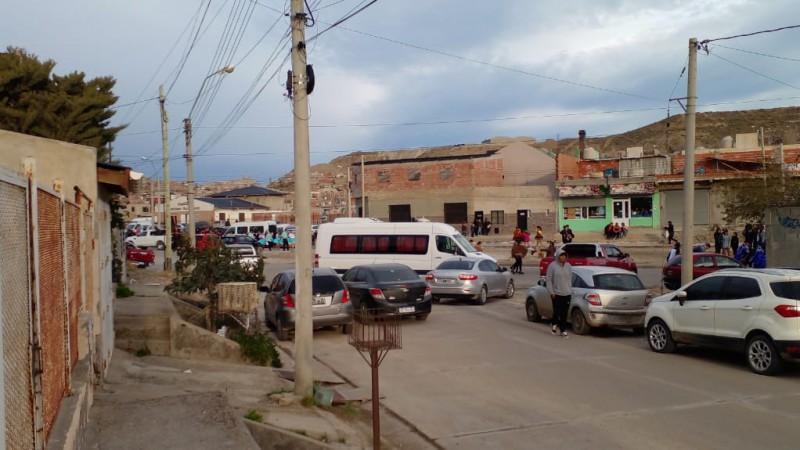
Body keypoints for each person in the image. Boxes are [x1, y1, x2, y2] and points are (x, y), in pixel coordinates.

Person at [546, 248, 572, 338]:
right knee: (557, 312)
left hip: (567, 293)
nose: (563, 257)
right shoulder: (552, 266)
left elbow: (569, 279)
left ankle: (563, 330)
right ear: (558, 256)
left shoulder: (568, 266)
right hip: (556, 293)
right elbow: (548, 279)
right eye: (561, 255)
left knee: (564, 313)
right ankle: (553, 323)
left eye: (564, 255)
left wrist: (570, 289)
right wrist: (551, 291)